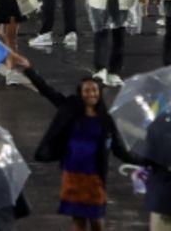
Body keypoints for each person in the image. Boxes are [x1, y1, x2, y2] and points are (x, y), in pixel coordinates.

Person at [18, 59, 145, 231]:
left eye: (94, 90)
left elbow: (120, 150)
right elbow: (47, 91)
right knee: (78, 222)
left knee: (96, 221)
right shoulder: (70, 108)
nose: (91, 93)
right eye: (87, 90)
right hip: (73, 176)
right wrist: (29, 69)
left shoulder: (106, 120)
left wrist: (146, 161)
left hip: (95, 179)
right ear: (80, 93)